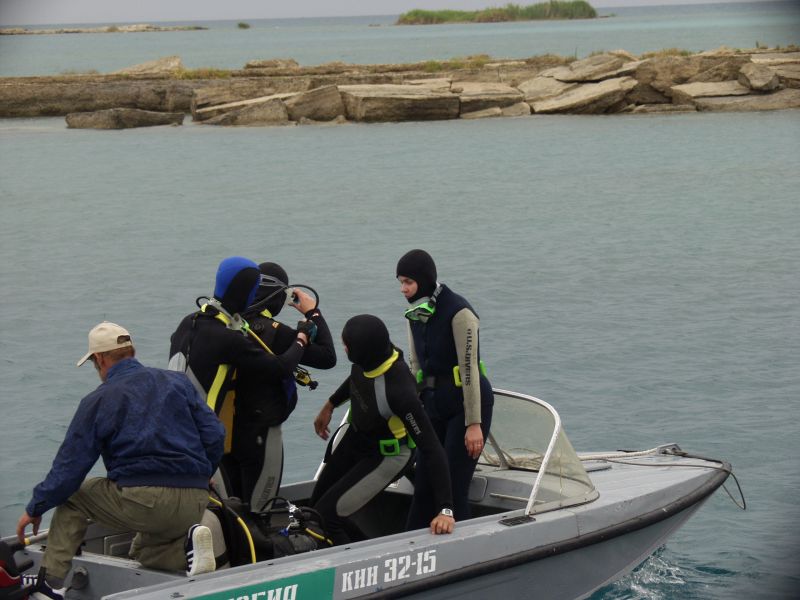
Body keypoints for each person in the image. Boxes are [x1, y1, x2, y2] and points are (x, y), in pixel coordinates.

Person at [16, 322, 226, 600]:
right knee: (143, 553)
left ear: (100, 359)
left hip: (145, 504)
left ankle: (49, 584)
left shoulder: (99, 399)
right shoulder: (178, 382)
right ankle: (187, 548)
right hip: (194, 501)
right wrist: (202, 475)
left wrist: (36, 507)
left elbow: (69, 470)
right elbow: (215, 434)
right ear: (131, 352)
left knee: (73, 496)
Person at [169, 256, 314, 510]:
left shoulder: (188, 323)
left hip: (173, 435)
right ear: (245, 292)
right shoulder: (227, 338)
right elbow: (281, 367)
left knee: (215, 512)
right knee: (238, 515)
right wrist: (301, 337)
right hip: (201, 443)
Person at [311, 314, 455, 545]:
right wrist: (330, 405)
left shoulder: (400, 392)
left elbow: (432, 448)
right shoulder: (376, 355)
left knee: (327, 517)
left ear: (360, 352)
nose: (343, 347)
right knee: (315, 509)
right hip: (357, 439)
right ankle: (355, 545)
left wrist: (445, 510)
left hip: (387, 455)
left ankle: (364, 561)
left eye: (346, 345)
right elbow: (358, 377)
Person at [395, 249, 494, 529]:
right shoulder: (415, 313)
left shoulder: (460, 313)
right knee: (424, 487)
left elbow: (469, 369)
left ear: (424, 280)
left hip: (465, 407)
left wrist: (473, 424)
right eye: (400, 283)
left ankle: (464, 548)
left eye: (408, 282)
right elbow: (416, 366)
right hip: (433, 406)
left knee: (453, 486)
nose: (403, 289)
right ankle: (410, 545)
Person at [234, 262, 337, 512]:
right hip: (263, 432)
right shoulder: (274, 334)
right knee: (261, 507)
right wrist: (313, 313)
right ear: (278, 296)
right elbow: (327, 357)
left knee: (235, 503)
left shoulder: (228, 326)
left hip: (228, 430)